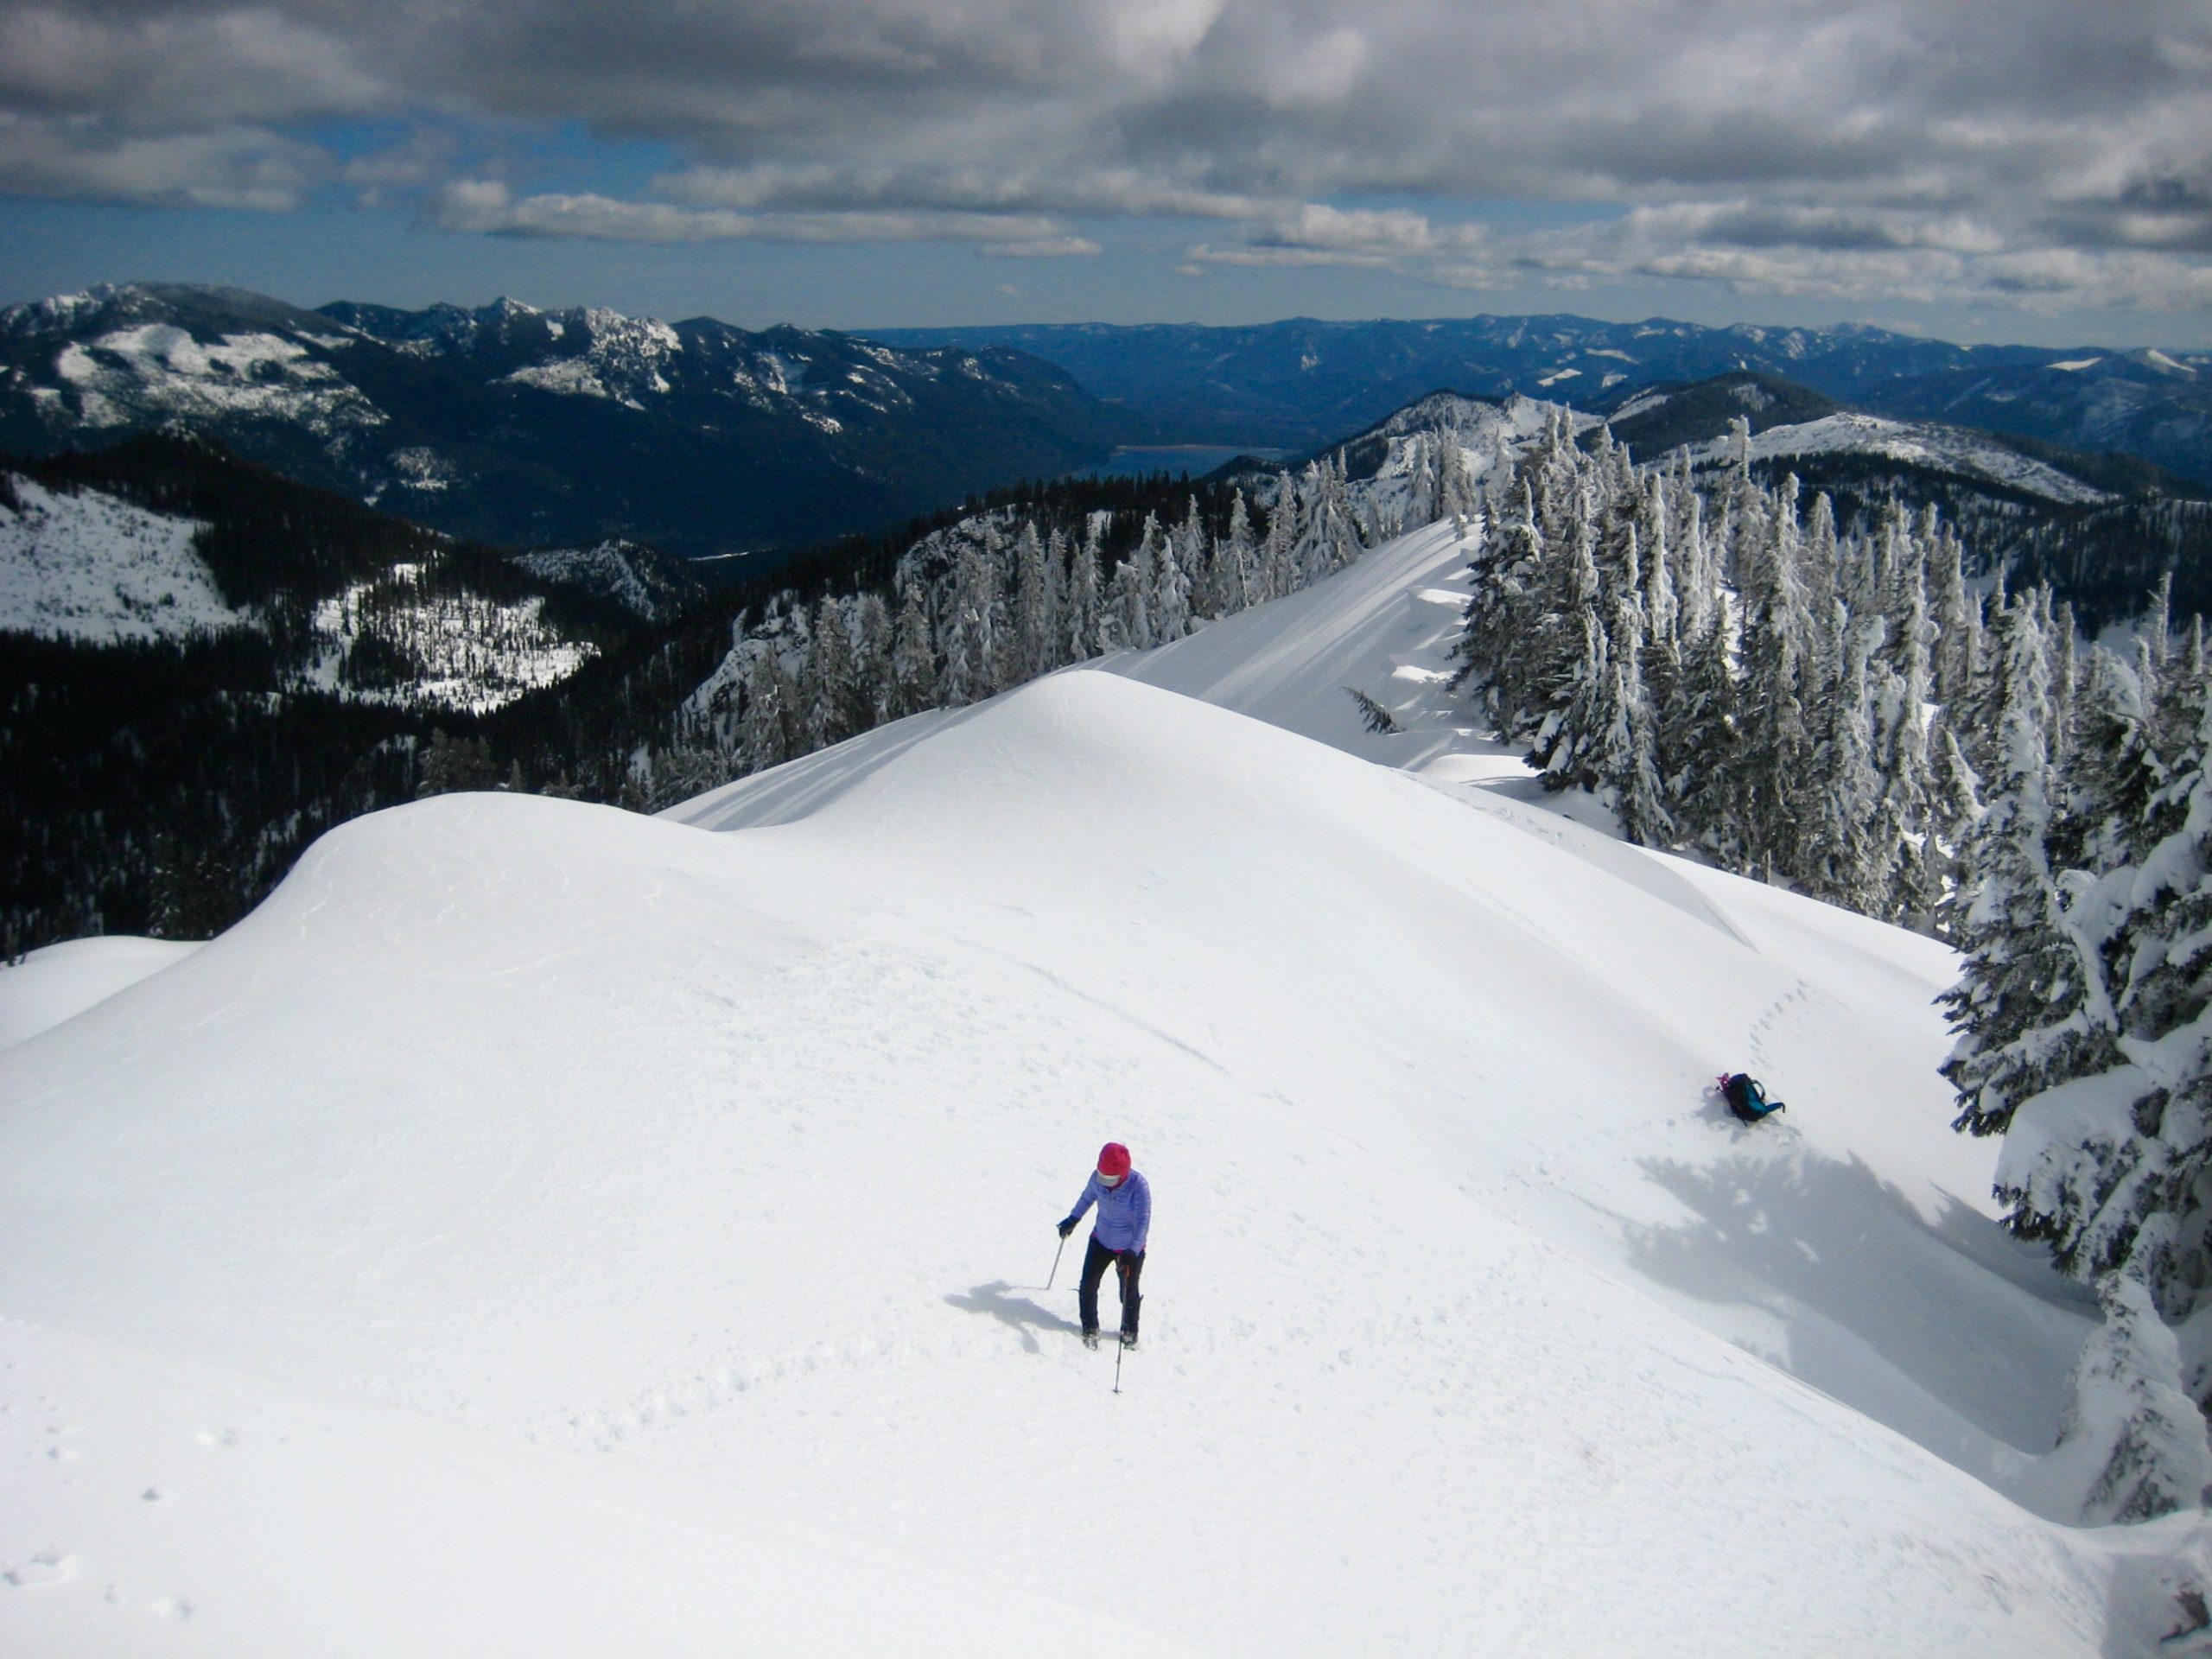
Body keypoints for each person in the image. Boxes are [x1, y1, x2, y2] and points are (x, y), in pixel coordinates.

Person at [1057, 1141, 1150, 1350]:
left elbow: (1143, 1223)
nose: (1106, 1182)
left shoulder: (1139, 1186)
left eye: (1111, 1178)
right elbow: (1087, 1197)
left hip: (1128, 1250)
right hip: (1100, 1241)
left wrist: (1132, 1251)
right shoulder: (1097, 1178)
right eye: (1103, 1177)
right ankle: (1090, 1327)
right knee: (1088, 1285)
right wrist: (1073, 1219)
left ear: (1123, 1173)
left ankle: (1129, 1332)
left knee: (1128, 1293)